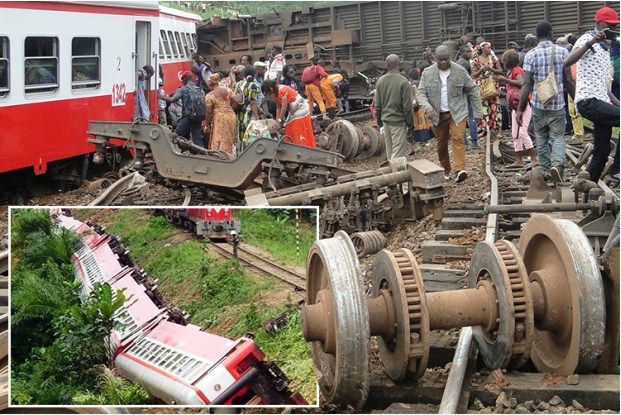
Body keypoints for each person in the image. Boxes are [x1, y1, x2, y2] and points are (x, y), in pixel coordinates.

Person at [564, 6, 620, 183]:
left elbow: (606, 89)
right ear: (598, 23)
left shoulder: (606, 49)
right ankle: (617, 170)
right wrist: (592, 42)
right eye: (608, 25)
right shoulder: (588, 39)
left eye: (614, 26)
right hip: (588, 101)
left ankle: (588, 192)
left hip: (600, 100)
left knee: (602, 152)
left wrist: (618, 104)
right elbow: (567, 61)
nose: (612, 29)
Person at [517, 20, 575, 183]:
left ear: (537, 36)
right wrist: (576, 101)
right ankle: (557, 165)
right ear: (550, 33)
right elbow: (569, 80)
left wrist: (521, 109)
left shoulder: (530, 55)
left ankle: (546, 169)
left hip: (538, 103)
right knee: (557, 136)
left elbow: (527, 83)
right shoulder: (563, 52)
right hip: (557, 103)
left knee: (541, 136)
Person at [418, 46, 483, 183]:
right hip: (437, 114)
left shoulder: (459, 71)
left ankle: (460, 170)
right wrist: (427, 107)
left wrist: (478, 112)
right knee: (441, 144)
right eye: (440, 60)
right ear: (435, 58)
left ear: (450, 57)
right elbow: (421, 93)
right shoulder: (427, 73)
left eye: (446, 59)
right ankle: (445, 169)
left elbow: (472, 90)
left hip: (457, 113)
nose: (443, 62)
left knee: (457, 138)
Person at [495, 49, 538, 168]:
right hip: (515, 106)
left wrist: (504, 80)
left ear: (508, 61)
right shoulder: (510, 72)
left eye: (504, 60)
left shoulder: (517, 70)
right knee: (515, 134)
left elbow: (521, 82)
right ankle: (519, 160)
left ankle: (534, 159)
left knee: (523, 132)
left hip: (523, 105)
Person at [374, 54, 415, 160]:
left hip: (386, 122)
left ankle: (391, 172)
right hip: (398, 122)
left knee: (390, 151)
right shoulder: (403, 82)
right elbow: (408, 107)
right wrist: (410, 125)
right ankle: (394, 175)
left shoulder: (381, 81)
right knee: (398, 155)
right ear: (399, 64)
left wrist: (379, 122)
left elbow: (377, 105)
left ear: (387, 65)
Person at [261, 79, 316, 148]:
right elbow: (278, 107)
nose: (268, 94)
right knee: (289, 127)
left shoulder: (282, 91)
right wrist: (277, 120)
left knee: (296, 128)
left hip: (300, 108)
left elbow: (284, 107)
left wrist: (279, 121)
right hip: (293, 109)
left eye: (267, 92)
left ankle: (302, 146)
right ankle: (293, 146)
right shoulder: (274, 93)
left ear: (270, 89)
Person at [165, 71, 205, 147]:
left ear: (185, 79)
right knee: (197, 140)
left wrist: (161, 97)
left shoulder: (183, 89)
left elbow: (173, 99)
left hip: (188, 117)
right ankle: (203, 156)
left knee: (174, 136)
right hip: (198, 118)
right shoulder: (200, 90)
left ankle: (166, 153)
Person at [471, 42, 503, 137]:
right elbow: (473, 75)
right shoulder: (476, 61)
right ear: (483, 49)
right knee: (485, 109)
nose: (490, 49)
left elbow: (500, 71)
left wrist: (490, 68)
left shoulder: (493, 58)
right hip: (483, 87)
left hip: (493, 86)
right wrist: (481, 70)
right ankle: (487, 130)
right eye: (488, 48)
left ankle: (499, 131)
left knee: (496, 108)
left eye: (490, 48)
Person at [204, 73, 238, 154]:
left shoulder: (209, 96)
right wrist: (229, 109)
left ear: (210, 83)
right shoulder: (228, 90)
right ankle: (229, 154)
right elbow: (236, 101)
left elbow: (209, 112)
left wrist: (206, 124)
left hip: (219, 118)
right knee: (228, 136)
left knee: (218, 138)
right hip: (231, 116)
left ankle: (220, 156)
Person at [456, 44, 479, 147]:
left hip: (459, 93)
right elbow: (468, 79)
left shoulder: (457, 63)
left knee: (462, 117)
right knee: (471, 116)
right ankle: (474, 140)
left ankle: (464, 141)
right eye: (467, 52)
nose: (470, 54)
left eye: (470, 52)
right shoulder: (465, 63)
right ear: (461, 53)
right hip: (466, 92)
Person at [236, 65, 261, 145]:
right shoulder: (253, 85)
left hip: (239, 114)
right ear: (254, 74)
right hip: (249, 114)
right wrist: (257, 117)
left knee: (241, 135)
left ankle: (240, 154)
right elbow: (252, 103)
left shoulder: (239, 84)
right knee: (250, 136)